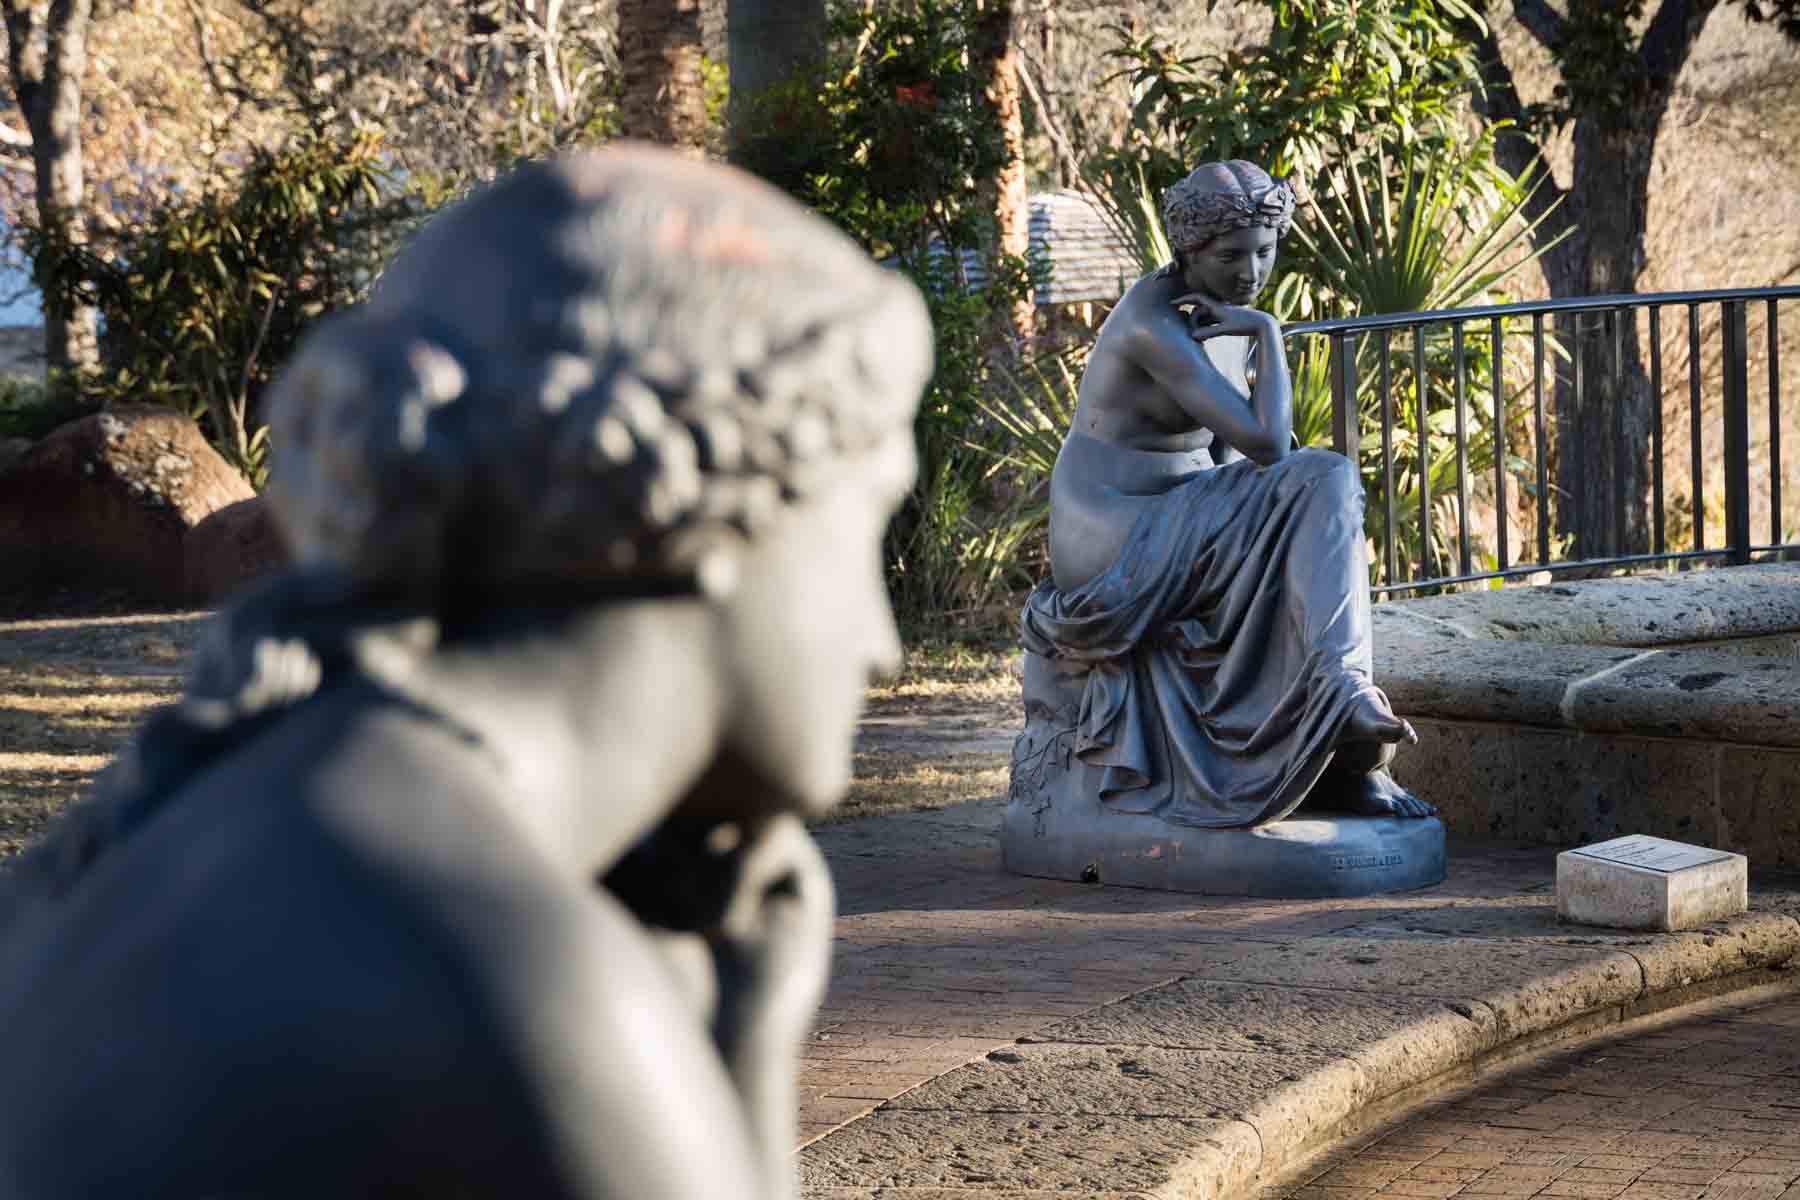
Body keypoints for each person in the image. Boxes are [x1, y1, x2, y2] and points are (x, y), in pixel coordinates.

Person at [0, 146, 931, 1199]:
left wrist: (741, 1047)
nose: (879, 644)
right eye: (862, 530)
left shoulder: (205, 812)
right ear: (711, 507)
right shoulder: (527, 988)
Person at [1020, 159, 1434, 828]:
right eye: (1231, 255)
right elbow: (1268, 443)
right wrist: (1267, 332)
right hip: (1109, 534)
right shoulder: (1156, 322)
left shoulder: (1213, 314)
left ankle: (1348, 763)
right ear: (1188, 249)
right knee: (1323, 477)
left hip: (1178, 513)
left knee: (1315, 511)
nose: (1250, 272)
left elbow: (1234, 454)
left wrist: (1275, 524)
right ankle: (1343, 695)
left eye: (1265, 252)